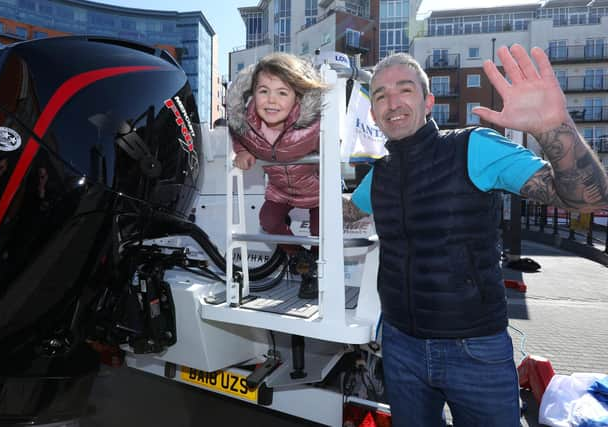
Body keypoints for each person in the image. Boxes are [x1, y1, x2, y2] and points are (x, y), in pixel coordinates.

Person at [344, 45, 608, 426]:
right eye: (381, 95)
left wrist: (554, 129)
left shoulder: (474, 147)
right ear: (373, 113)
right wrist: (287, 181)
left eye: (405, 89)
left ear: (428, 101)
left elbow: (587, 198)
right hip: (401, 345)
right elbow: (344, 212)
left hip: (475, 350)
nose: (392, 102)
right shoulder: (379, 175)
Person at [226, 52, 327, 299]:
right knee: (268, 220)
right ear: (253, 93)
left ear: (297, 97)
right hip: (280, 189)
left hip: (314, 188)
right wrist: (242, 152)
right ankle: (299, 257)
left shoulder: (311, 125)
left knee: (320, 228)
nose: (271, 100)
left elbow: (332, 142)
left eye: (282, 92)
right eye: (264, 91)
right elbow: (238, 135)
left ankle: (314, 269)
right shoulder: (245, 124)